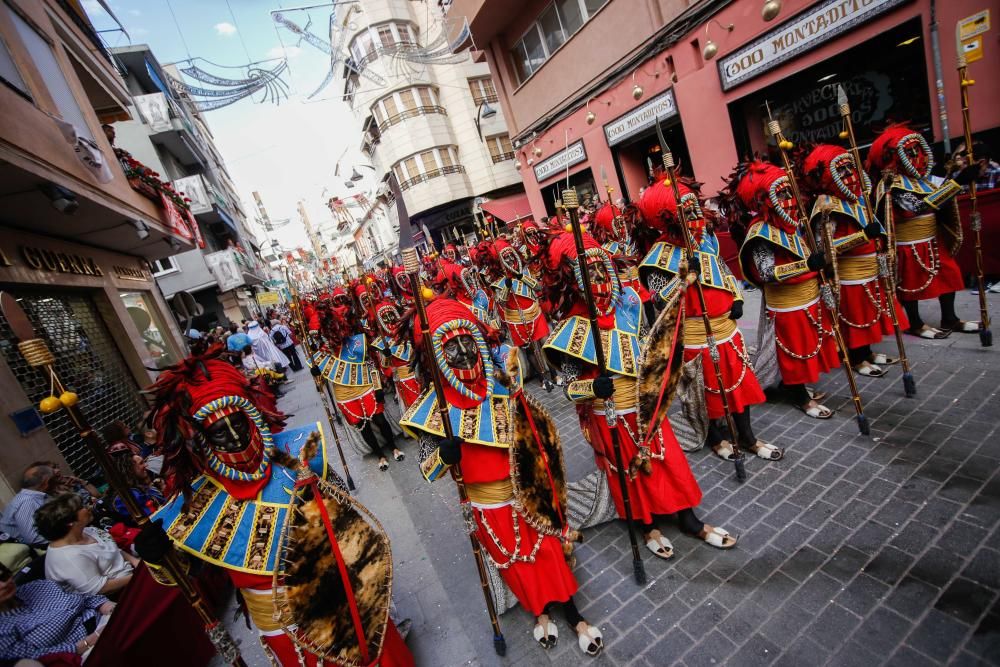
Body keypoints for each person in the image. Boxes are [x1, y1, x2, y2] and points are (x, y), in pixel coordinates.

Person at [135, 346, 413, 666]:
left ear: (251, 417)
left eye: (237, 423)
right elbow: (183, 573)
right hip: (282, 627)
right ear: (200, 441)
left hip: (339, 595)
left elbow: (345, 513)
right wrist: (158, 557)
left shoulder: (299, 453)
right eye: (217, 433)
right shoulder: (193, 501)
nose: (234, 438)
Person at [402, 299, 604, 656]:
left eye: (468, 342)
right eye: (452, 347)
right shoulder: (433, 408)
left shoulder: (500, 382)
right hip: (487, 505)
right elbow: (427, 469)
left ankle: (574, 613)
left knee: (548, 554)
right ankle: (540, 612)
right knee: (518, 564)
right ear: (437, 356)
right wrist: (443, 456)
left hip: (526, 491)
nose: (464, 353)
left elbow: (531, 432)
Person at [545, 229, 738, 558]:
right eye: (590, 274)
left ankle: (690, 520)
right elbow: (568, 388)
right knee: (630, 475)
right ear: (576, 283)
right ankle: (648, 525)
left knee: (670, 459)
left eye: (603, 270)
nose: (600, 278)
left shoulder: (629, 305)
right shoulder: (570, 330)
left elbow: (650, 339)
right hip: (610, 415)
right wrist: (594, 387)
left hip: (646, 402)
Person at [638, 179, 780, 463]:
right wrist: (682, 278)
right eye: (688, 214)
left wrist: (737, 297)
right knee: (704, 394)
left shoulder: (706, 239)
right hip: (694, 339)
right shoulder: (657, 257)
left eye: (695, 211)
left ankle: (747, 437)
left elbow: (722, 270)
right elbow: (660, 303)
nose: (696, 218)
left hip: (727, 331)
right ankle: (715, 438)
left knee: (738, 388)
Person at [721, 159, 838, 419]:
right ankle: (799, 397)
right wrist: (805, 265)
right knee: (793, 354)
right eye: (782, 193)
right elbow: (767, 273)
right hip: (787, 305)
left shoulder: (793, 224)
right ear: (766, 200)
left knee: (808, 348)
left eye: (789, 191)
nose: (790, 199)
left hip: (807, 299)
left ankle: (795, 387)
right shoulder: (761, 232)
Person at [802, 144, 906, 375]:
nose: (850, 175)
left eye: (851, 168)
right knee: (856, 316)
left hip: (870, 269)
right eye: (843, 171)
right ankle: (857, 357)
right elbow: (824, 248)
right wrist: (861, 237)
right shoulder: (826, 205)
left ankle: (866, 352)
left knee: (869, 313)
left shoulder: (859, 199)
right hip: (849, 275)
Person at [868, 124, 981, 337]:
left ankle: (950, 318)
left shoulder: (925, 179)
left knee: (949, 275)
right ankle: (915, 323)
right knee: (911, 285)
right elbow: (918, 206)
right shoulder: (892, 184)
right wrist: (957, 182)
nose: (916, 155)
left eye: (917, 150)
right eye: (909, 152)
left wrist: (958, 176)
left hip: (932, 238)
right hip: (908, 243)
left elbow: (941, 198)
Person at [0, 563, 114, 661]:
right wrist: (94, 638)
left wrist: (108, 607)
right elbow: (34, 658)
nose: (4, 584)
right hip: (81, 654)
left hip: (104, 618)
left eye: (3, 576)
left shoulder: (37, 586)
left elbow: (85, 598)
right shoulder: (3, 631)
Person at [36, 494, 136, 596]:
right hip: (119, 594)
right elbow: (101, 589)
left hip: (132, 575)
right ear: (69, 522)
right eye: (81, 507)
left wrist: (136, 562)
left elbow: (113, 550)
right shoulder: (68, 558)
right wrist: (138, 576)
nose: (88, 507)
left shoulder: (86, 531)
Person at [0, 466, 55, 547]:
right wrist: (64, 540)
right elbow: (33, 538)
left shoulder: (36, 497)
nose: (60, 480)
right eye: (56, 478)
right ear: (46, 482)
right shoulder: (27, 501)